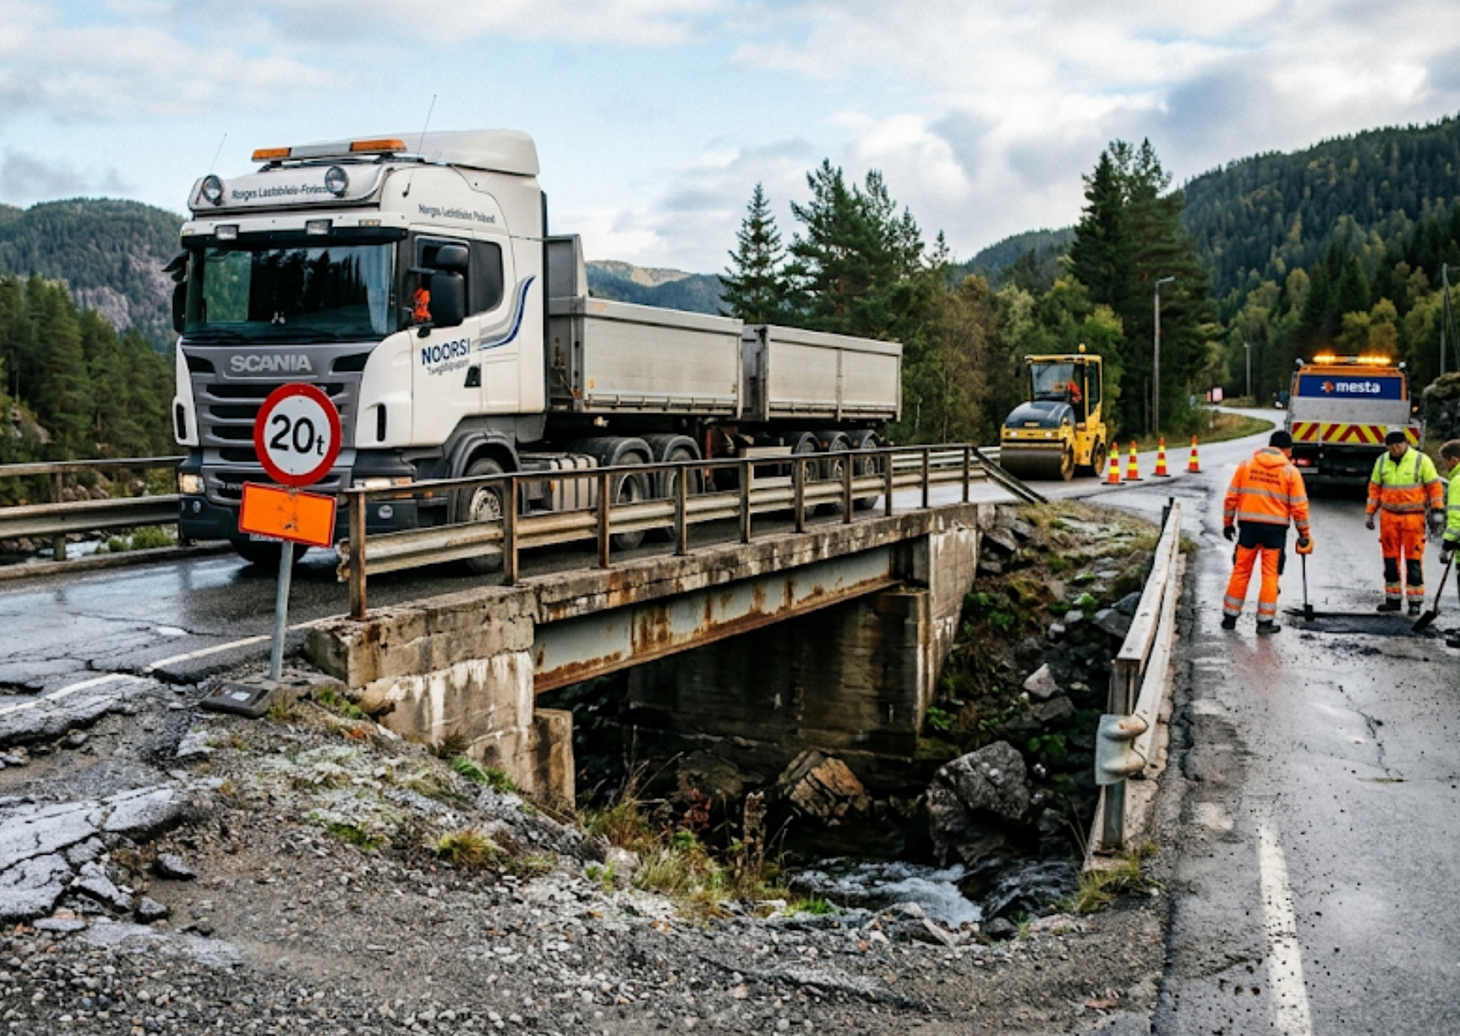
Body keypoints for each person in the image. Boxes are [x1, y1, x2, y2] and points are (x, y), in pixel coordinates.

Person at [1222, 429, 1312, 634]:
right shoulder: (1290, 472)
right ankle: (1264, 622)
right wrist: (1304, 535)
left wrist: (1228, 523)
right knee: (1270, 575)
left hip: (1248, 528)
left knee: (1240, 571)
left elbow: (1231, 498)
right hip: (1275, 531)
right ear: (1287, 450)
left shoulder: (1246, 466)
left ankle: (1229, 617)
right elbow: (1299, 508)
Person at [1365, 429, 1445, 615]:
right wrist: (1370, 513)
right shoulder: (1382, 461)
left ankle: (1415, 601)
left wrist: (1437, 510)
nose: (1395, 449)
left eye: (1398, 445)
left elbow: (1434, 487)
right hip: (1389, 517)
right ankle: (1393, 599)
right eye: (1391, 446)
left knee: (1413, 560)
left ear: (1405, 443)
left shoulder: (1421, 460)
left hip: (1413, 518)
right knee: (1390, 560)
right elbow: (1375, 489)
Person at [1439, 439, 1460, 647]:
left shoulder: (1458, 481)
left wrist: (1446, 545)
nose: (1444, 466)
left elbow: (1456, 519)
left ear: (1454, 460)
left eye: (1445, 462)